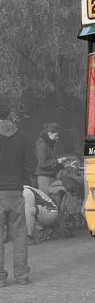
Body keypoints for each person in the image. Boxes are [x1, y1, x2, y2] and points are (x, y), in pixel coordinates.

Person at [0, 103, 32, 286]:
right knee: (20, 233)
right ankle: (21, 275)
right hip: (16, 191)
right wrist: (22, 179)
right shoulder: (22, 137)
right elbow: (30, 163)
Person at [34, 123, 65, 195]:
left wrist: (63, 165)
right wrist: (58, 161)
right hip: (44, 177)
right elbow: (42, 164)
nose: (57, 138)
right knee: (46, 201)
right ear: (49, 133)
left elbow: (51, 162)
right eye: (56, 135)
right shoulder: (41, 144)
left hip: (51, 176)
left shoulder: (49, 144)